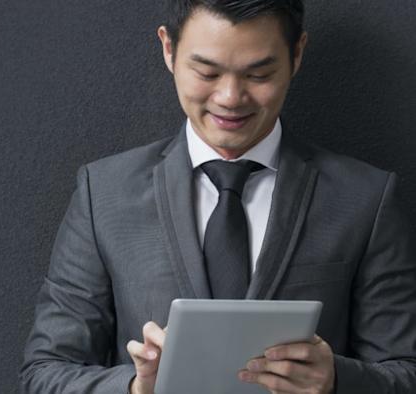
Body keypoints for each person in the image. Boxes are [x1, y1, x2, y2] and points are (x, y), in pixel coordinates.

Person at [21, 1, 416, 393]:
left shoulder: (366, 198)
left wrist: (335, 381)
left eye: (258, 74)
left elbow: (407, 372)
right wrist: (135, 389)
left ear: (296, 54)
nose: (230, 97)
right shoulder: (103, 193)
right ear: (168, 49)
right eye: (206, 72)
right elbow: (43, 375)